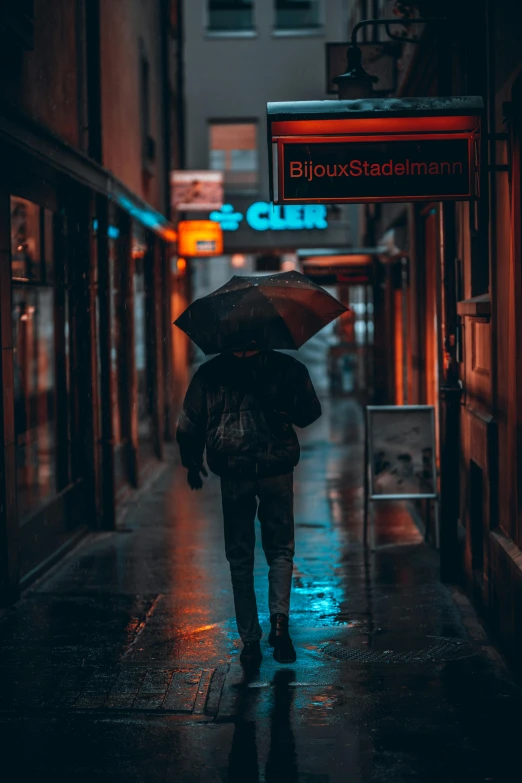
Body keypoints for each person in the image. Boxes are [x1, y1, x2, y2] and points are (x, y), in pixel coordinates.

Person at [176, 348, 321, 667]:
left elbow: (189, 423)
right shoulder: (287, 367)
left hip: (234, 472)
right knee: (281, 549)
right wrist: (283, 408)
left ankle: (250, 640)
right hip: (276, 471)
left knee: (240, 556)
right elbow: (310, 413)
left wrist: (192, 461)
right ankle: (280, 625)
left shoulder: (210, 374)